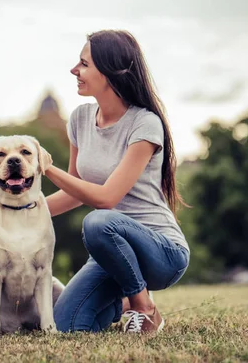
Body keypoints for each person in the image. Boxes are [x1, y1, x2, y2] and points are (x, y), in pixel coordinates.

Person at [45, 30, 190, 333]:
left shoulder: (144, 123)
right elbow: (74, 191)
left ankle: (144, 306)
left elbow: (106, 198)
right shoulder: (80, 119)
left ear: (110, 73)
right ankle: (121, 303)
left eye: (84, 64)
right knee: (67, 324)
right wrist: (19, 211)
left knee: (97, 222)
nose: (75, 70)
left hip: (161, 252)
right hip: (112, 252)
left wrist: (44, 167)